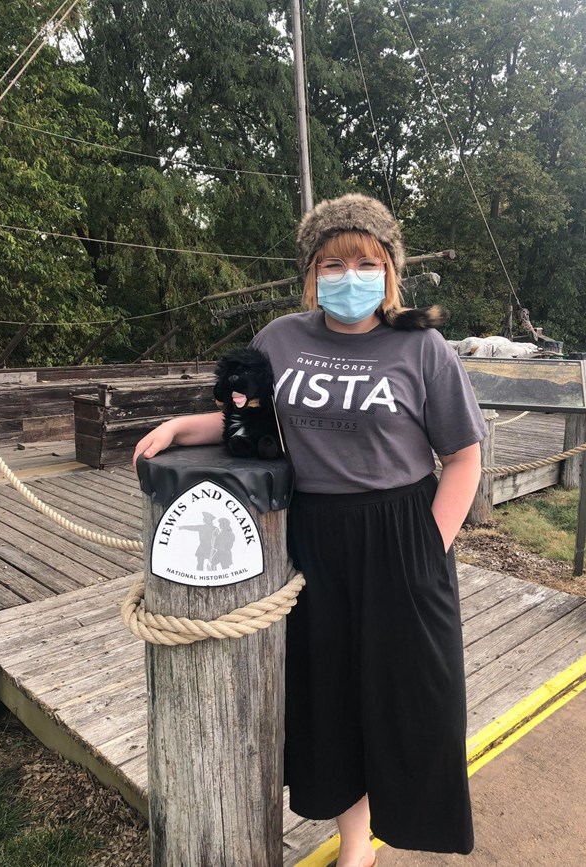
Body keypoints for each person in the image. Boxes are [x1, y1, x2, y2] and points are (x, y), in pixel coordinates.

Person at [133, 193, 488, 866]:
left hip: (403, 531)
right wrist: (184, 426)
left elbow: (464, 457)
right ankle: (357, 842)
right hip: (314, 535)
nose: (347, 274)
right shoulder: (280, 340)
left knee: (417, 696)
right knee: (330, 697)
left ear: (388, 270)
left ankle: (409, 820)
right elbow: (252, 425)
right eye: (332, 262)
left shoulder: (422, 346)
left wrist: (427, 549)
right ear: (311, 271)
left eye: (364, 260)